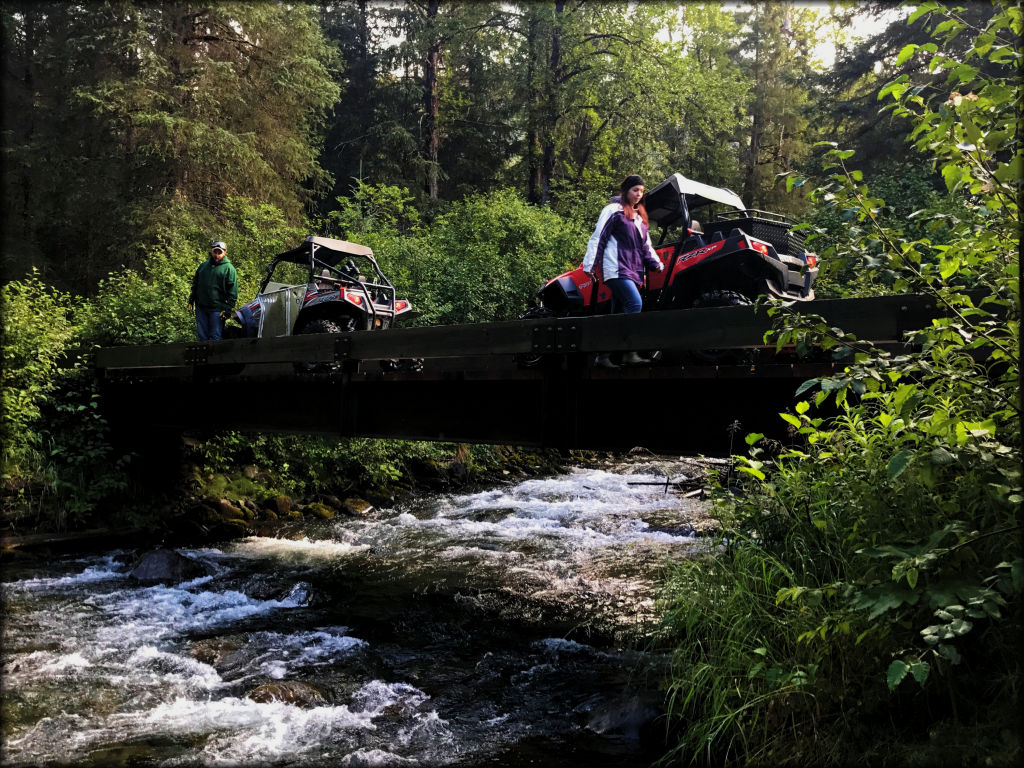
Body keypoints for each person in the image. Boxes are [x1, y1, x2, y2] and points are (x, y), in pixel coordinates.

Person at [582, 174, 665, 367]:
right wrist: (590, 265)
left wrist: (657, 264)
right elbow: (598, 237)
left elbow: (646, 247)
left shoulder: (639, 218)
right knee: (634, 304)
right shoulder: (613, 210)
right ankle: (629, 352)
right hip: (616, 269)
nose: (638, 194)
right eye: (635, 190)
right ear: (626, 190)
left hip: (633, 271)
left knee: (617, 315)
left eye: (641, 191)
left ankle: (602, 357)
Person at [187, 240, 238, 341]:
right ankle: (205, 356)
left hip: (217, 309)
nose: (217, 255)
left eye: (220, 252)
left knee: (215, 336)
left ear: (224, 253)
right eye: (215, 252)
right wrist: (191, 300)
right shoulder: (203, 266)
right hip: (201, 307)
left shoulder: (229, 269)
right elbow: (195, 284)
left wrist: (228, 308)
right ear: (211, 251)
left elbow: (232, 291)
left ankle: (216, 356)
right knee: (203, 337)